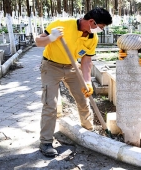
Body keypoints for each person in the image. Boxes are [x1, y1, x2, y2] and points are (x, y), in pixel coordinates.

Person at [35, 7, 112, 157]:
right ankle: (45, 142)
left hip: (72, 68)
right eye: (101, 27)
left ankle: (89, 131)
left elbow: (86, 61)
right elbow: (38, 42)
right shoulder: (61, 24)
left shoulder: (92, 37)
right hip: (51, 66)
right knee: (50, 104)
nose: (101, 30)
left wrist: (87, 81)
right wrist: (51, 38)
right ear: (91, 21)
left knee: (84, 99)